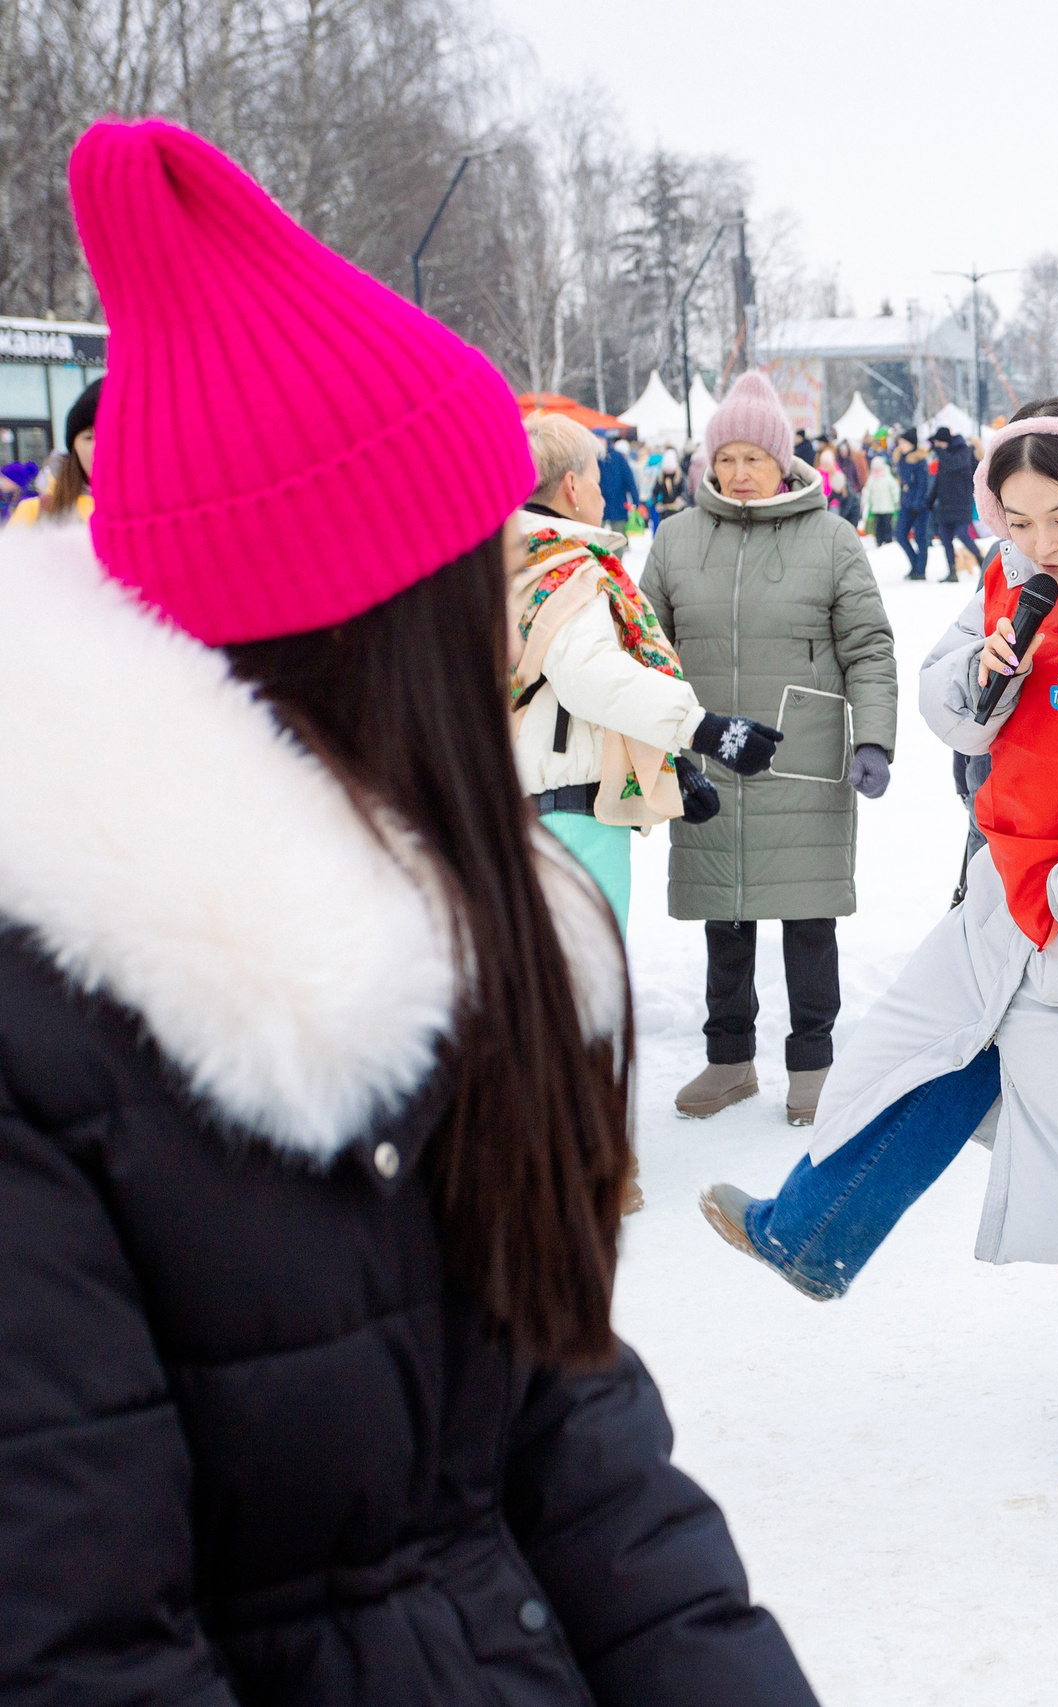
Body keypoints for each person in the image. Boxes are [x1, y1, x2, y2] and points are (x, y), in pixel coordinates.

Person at [0, 114, 814, 1705]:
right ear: (379, 625)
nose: (505, 594)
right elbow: (81, 1645)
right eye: (478, 563)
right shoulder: (53, 1045)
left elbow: (575, 1448)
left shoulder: (441, 935)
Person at [702, 401, 1058, 1493]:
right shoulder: (1014, 587)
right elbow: (946, 700)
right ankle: (809, 1233)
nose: (1041, 544)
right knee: (914, 1061)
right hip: (1002, 904)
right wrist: (982, 685)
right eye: (1017, 522)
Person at [640, 372, 898, 1127]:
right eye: (728, 458)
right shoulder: (677, 539)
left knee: (809, 917)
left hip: (803, 761)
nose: (741, 472)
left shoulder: (832, 538)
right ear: (709, 465)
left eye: (756, 457)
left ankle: (812, 1063)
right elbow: (645, 646)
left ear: (784, 463)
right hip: (711, 757)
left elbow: (869, 647)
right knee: (725, 916)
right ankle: (729, 1061)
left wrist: (874, 737)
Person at [512, 412, 773, 930]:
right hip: (569, 819)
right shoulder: (566, 573)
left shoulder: (508, 561)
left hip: (520, 805)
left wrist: (669, 765)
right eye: (595, 476)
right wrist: (704, 729)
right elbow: (594, 678)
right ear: (571, 486)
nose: (604, 492)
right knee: (583, 990)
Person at [8, 375, 99, 526]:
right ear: (73, 446)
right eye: (90, 437)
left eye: (118, 434)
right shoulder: (35, 512)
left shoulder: (150, 511)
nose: (102, 446)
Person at [928, 425, 980, 581]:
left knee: (963, 534)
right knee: (945, 537)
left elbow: (954, 465)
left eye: (939, 444)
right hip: (945, 503)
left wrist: (938, 450)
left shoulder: (964, 451)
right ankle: (952, 571)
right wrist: (930, 499)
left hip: (961, 502)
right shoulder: (943, 455)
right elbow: (939, 479)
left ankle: (982, 561)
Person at [893, 427, 934, 578]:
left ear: (911, 443)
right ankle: (915, 563)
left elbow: (922, 485)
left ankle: (920, 570)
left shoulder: (919, 461)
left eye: (903, 442)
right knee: (900, 534)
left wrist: (917, 504)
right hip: (905, 504)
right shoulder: (901, 459)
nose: (900, 445)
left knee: (920, 538)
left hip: (919, 506)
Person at [862, 447, 900, 547]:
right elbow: (867, 490)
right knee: (878, 525)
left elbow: (894, 490)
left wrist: (897, 501)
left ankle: (888, 540)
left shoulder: (888, 478)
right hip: (876, 507)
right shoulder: (872, 479)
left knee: (887, 525)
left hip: (888, 507)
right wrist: (864, 500)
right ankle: (879, 540)